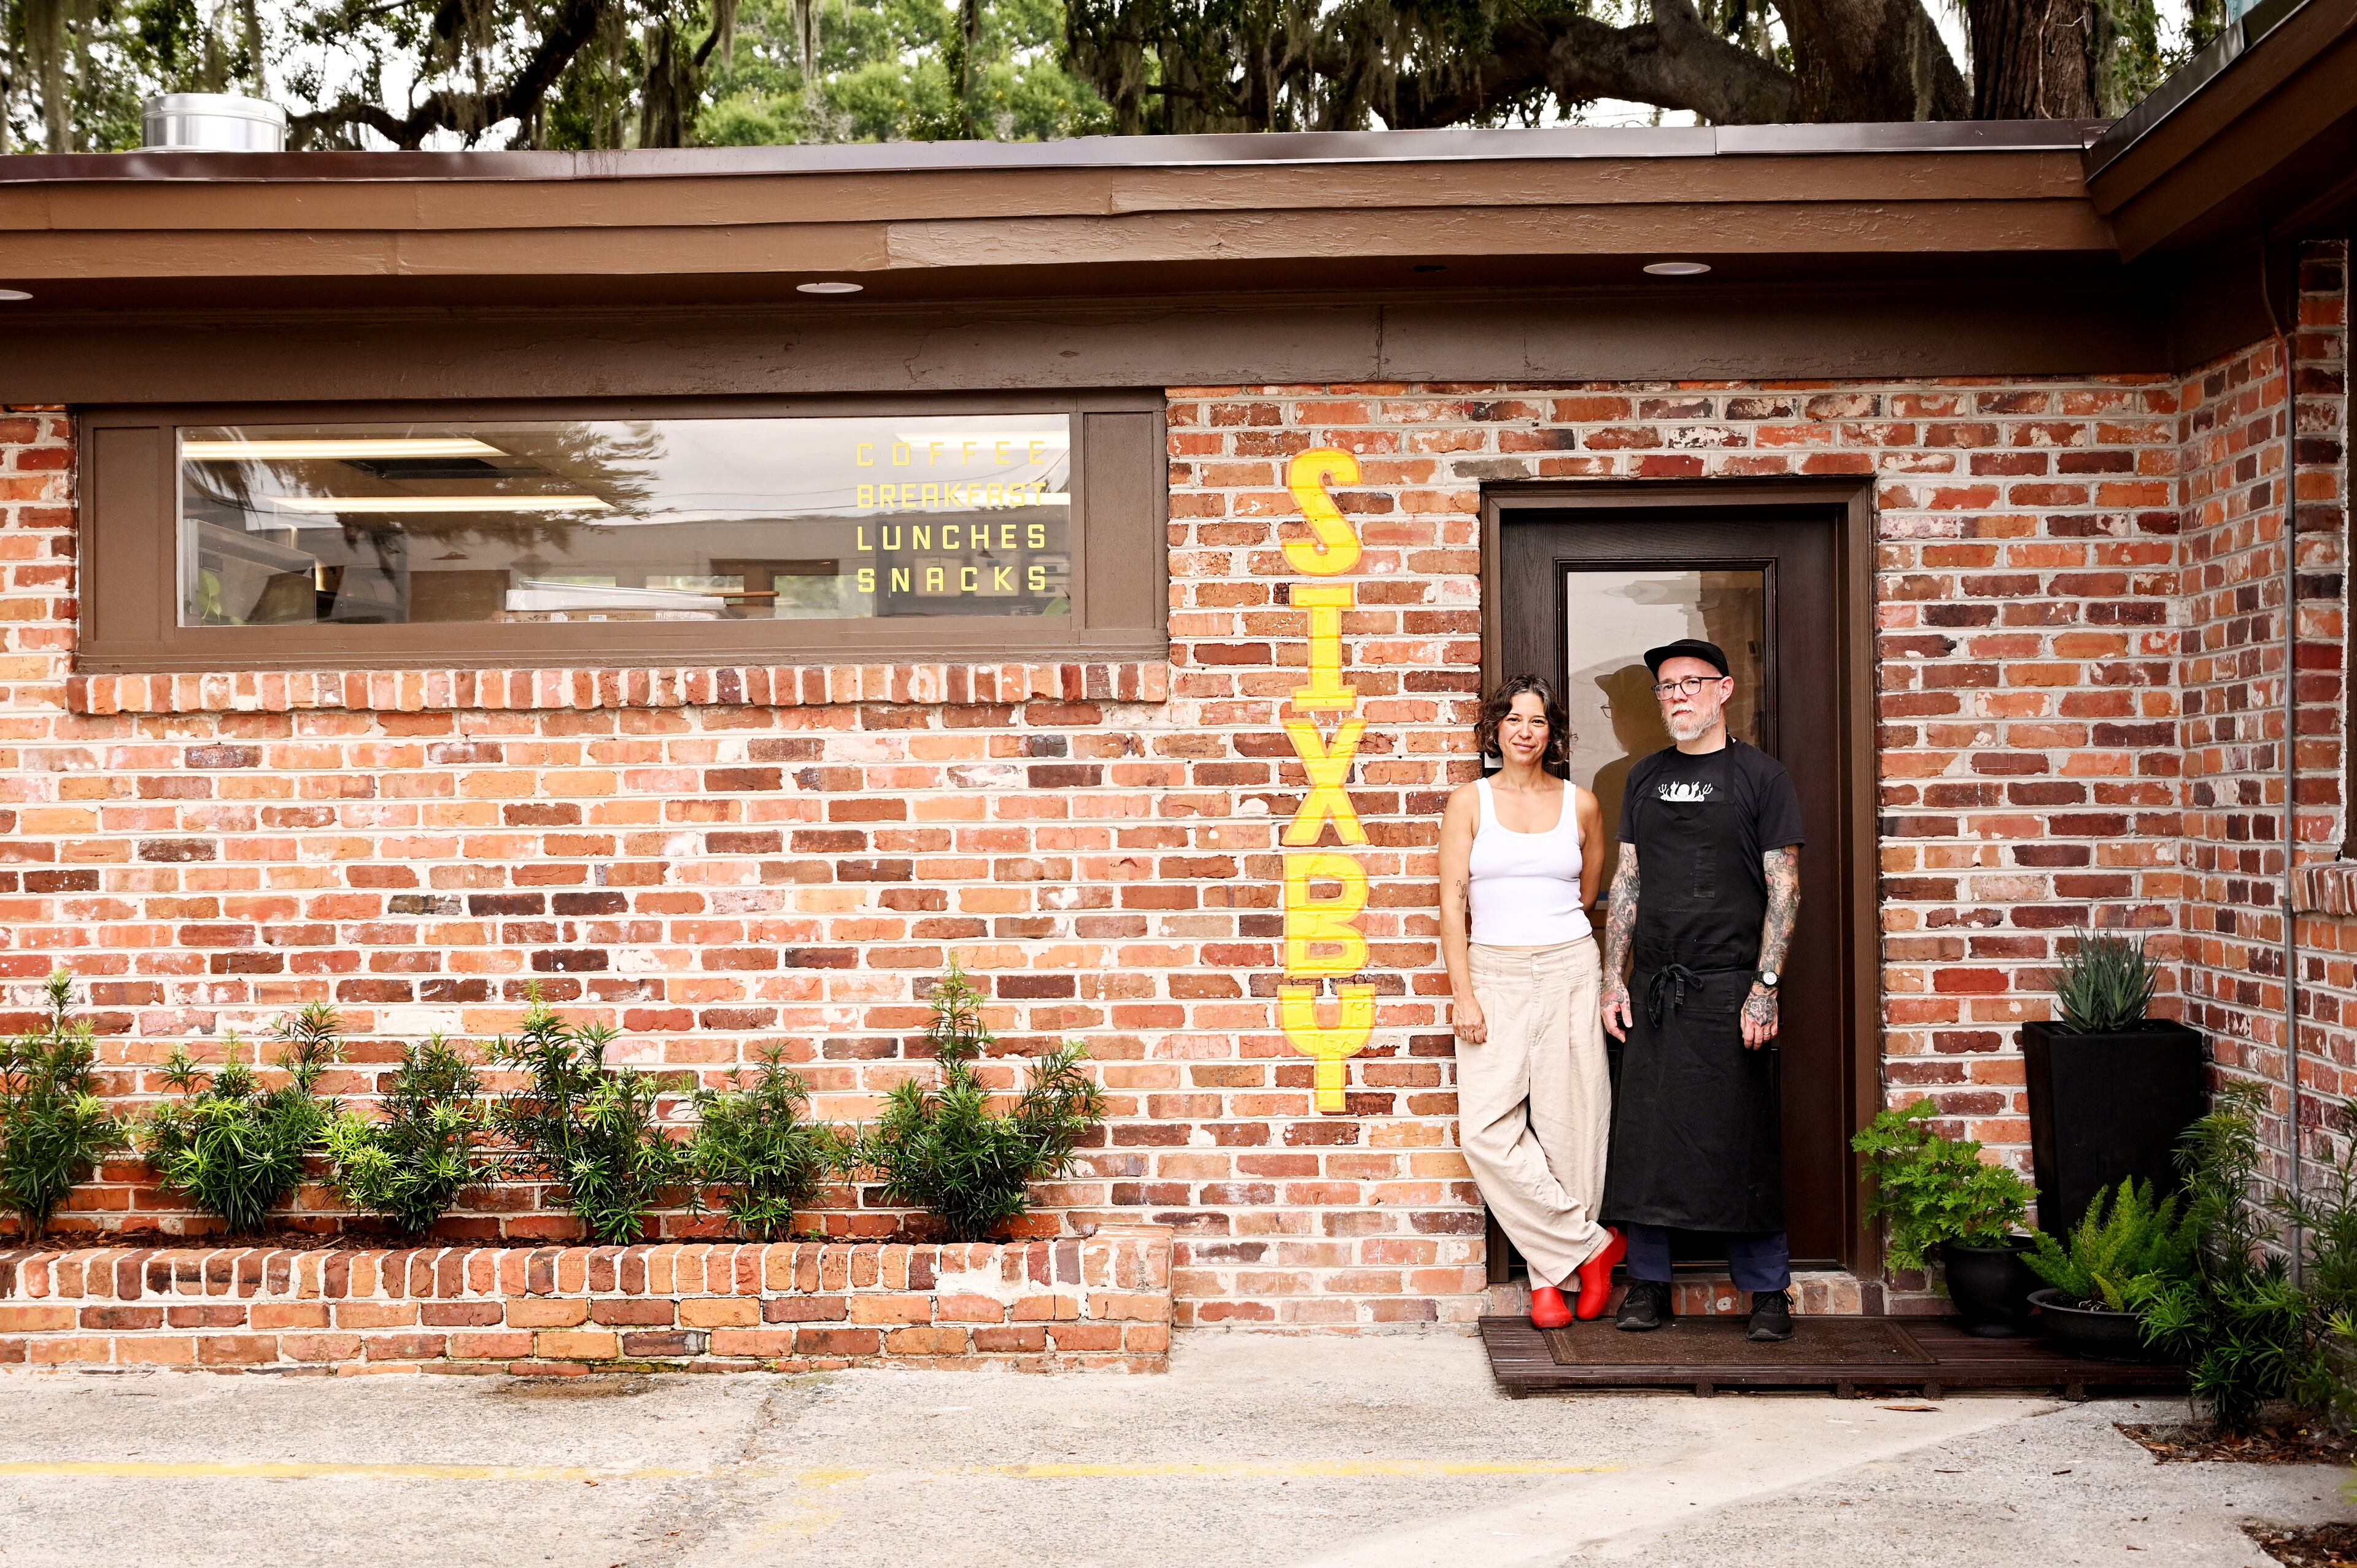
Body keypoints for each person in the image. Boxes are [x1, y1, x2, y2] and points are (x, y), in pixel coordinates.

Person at [1600, 638, 1804, 1343]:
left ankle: (1768, 1292)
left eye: (1691, 683)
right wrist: (1612, 980)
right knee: (1649, 1142)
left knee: (1742, 1140)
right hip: (1657, 988)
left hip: (1731, 990)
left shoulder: (1762, 776)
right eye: (1666, 687)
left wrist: (1765, 987)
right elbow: (1626, 882)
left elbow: (1785, 887)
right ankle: (1648, 1285)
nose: (1678, 695)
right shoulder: (1644, 778)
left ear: (1725, 690)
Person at [1439, 674, 1627, 1330]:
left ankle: (1551, 1279)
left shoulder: (1582, 803)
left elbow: (1587, 895)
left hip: (1570, 967)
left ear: (1554, 734)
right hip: (1493, 973)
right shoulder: (1469, 803)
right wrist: (1464, 991)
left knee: (1572, 1124)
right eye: (1514, 718)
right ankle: (1590, 1249)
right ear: (1495, 727)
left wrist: (1559, 955)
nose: (1525, 730)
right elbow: (1451, 903)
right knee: (1487, 1130)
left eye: (1538, 721)